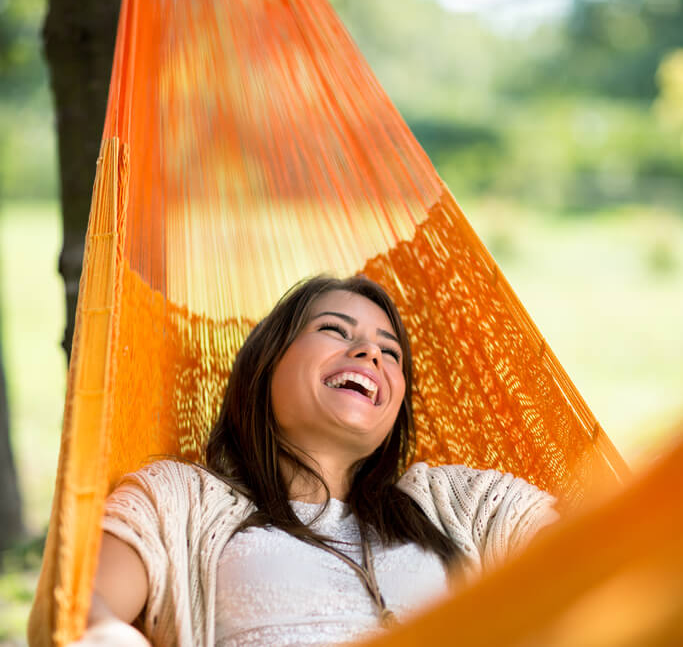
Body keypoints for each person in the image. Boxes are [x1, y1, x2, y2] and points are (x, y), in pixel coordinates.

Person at [75, 275, 558, 646]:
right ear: (266, 364)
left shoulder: (461, 504)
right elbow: (82, 607)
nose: (370, 352)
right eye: (333, 329)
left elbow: (598, 549)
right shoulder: (182, 499)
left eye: (390, 353)